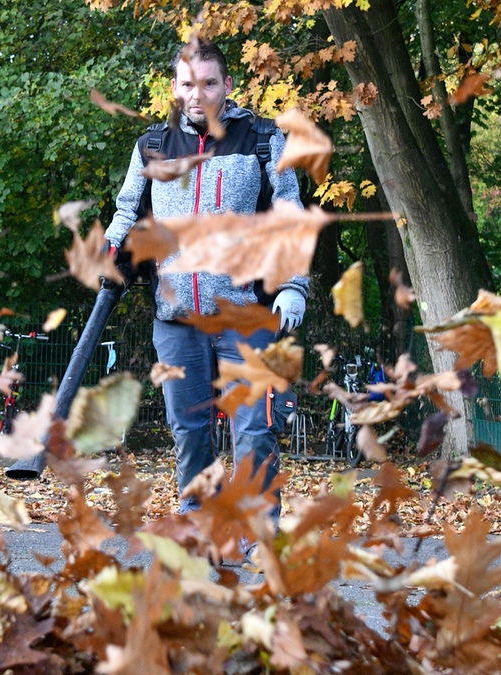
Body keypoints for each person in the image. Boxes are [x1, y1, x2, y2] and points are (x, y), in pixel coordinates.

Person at [103, 40, 310, 532]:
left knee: (255, 433)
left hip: (247, 315)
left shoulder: (261, 139)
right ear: (175, 88)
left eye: (210, 83)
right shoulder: (153, 145)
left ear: (227, 86)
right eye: (189, 84)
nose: (199, 94)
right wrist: (110, 252)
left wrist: (294, 286)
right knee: (190, 434)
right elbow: (128, 211)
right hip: (177, 321)